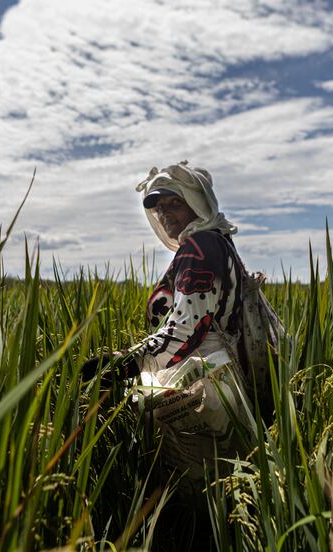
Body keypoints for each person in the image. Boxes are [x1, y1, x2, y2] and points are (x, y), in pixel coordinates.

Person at [82, 161, 252, 482]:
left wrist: (123, 364)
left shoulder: (200, 248)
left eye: (175, 203)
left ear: (197, 203)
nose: (164, 213)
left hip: (206, 384)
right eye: (158, 206)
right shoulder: (215, 242)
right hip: (218, 379)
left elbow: (184, 331)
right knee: (223, 479)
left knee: (199, 483)